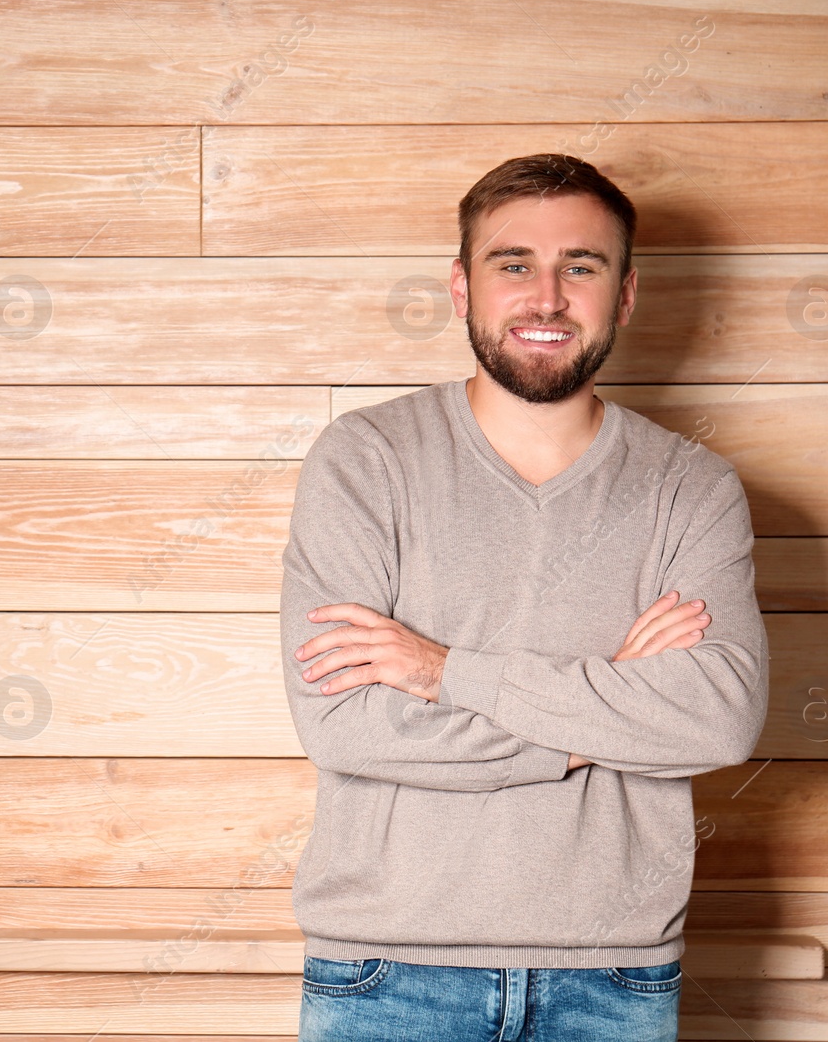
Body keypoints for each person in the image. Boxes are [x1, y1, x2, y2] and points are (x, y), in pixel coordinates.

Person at [278, 152, 769, 1041]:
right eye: (514, 265)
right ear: (463, 288)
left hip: (615, 978)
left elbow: (719, 720)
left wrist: (444, 671)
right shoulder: (365, 461)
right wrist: (603, 710)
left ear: (623, 295)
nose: (547, 297)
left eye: (581, 266)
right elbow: (344, 725)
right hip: (384, 973)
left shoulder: (690, 488)